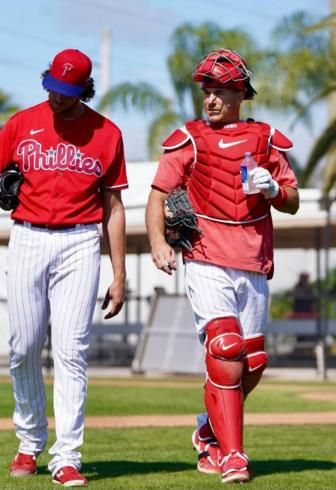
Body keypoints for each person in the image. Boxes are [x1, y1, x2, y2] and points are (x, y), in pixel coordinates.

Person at [0, 48, 128, 487]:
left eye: (67, 91)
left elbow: (113, 206)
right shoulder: (21, 123)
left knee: (71, 351)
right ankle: (28, 440)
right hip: (29, 237)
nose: (57, 97)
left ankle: (67, 456)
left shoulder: (107, 134)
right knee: (23, 347)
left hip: (79, 242)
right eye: (53, 87)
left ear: (84, 90)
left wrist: (119, 273)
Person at [145, 48, 299, 483]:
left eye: (219, 92)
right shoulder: (187, 137)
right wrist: (159, 242)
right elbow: (158, 194)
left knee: (253, 361)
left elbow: (293, 201)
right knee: (226, 349)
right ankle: (232, 455)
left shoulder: (266, 139)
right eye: (206, 92)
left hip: (252, 258)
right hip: (206, 254)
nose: (210, 100)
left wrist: (275, 192)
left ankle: (209, 428)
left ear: (240, 94)